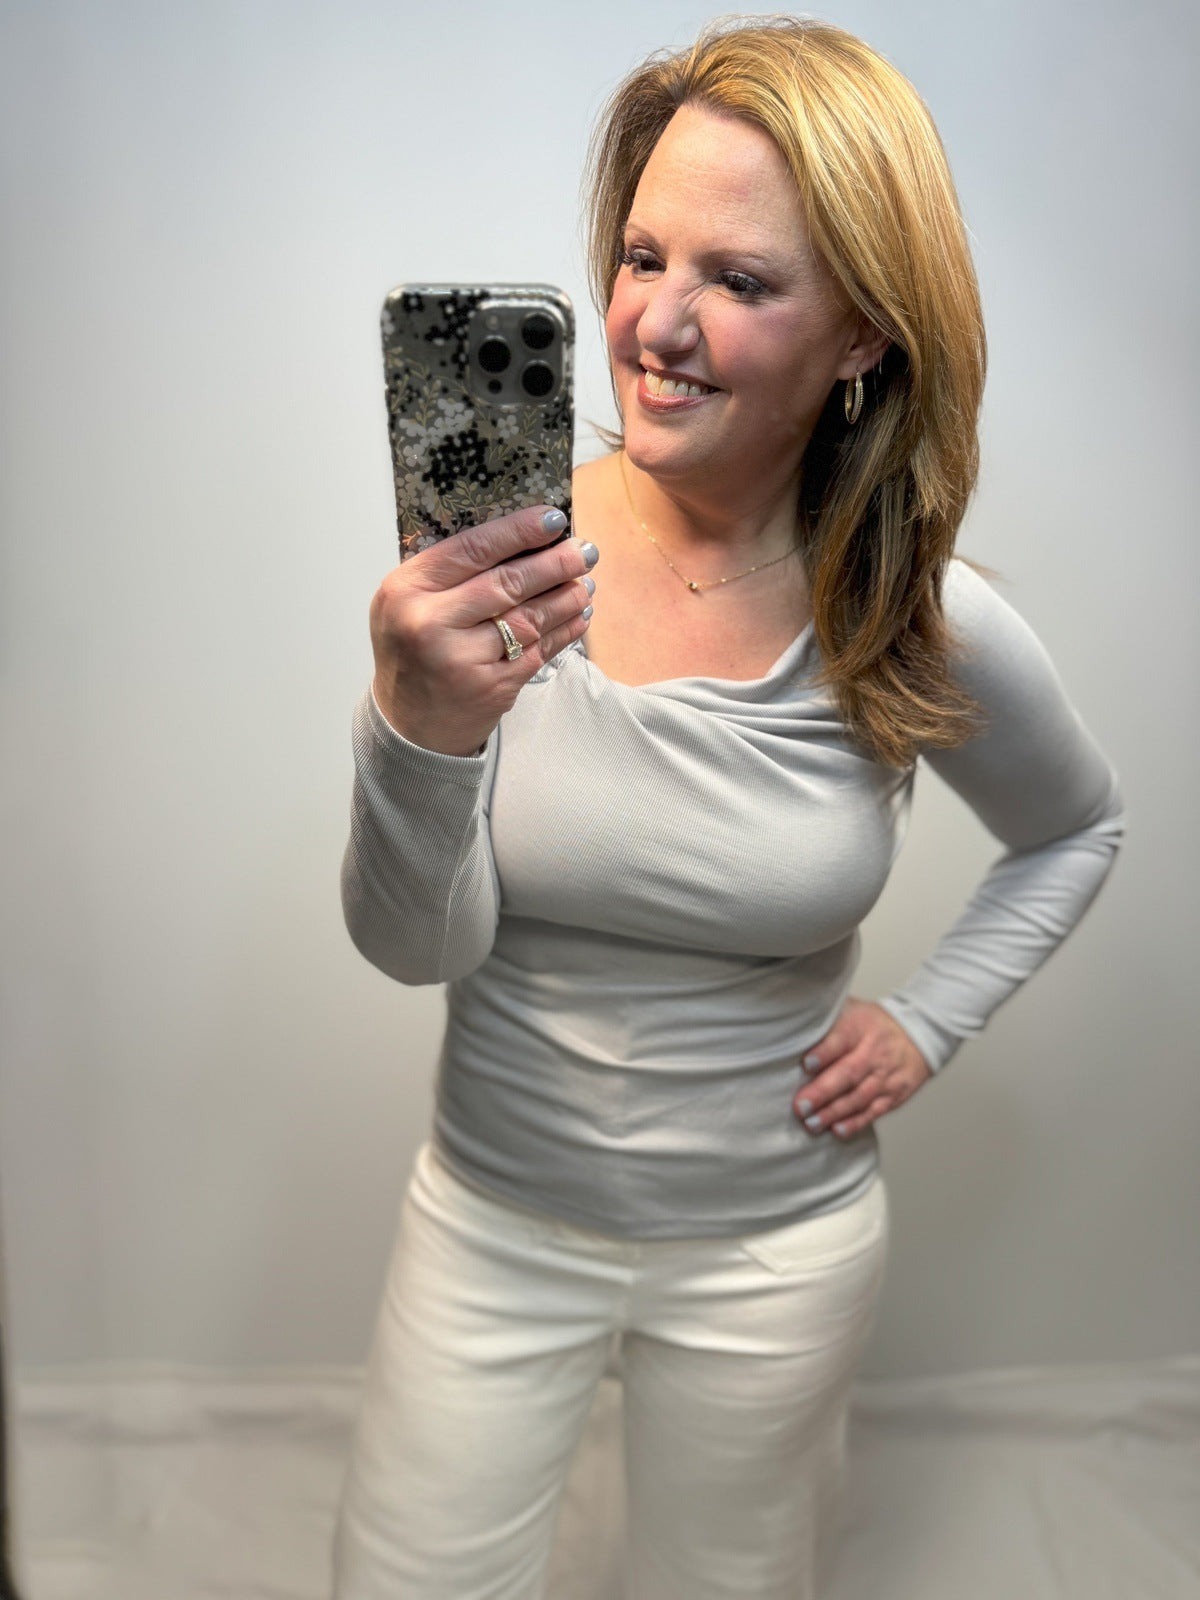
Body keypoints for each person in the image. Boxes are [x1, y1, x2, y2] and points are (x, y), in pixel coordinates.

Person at [331, 17, 1125, 1600]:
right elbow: (417, 951)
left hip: (772, 1258)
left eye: (740, 280)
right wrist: (419, 727)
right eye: (643, 256)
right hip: (491, 1225)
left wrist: (929, 1022)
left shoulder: (910, 612)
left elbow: (1073, 830)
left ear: (863, 335)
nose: (657, 323)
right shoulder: (503, 569)